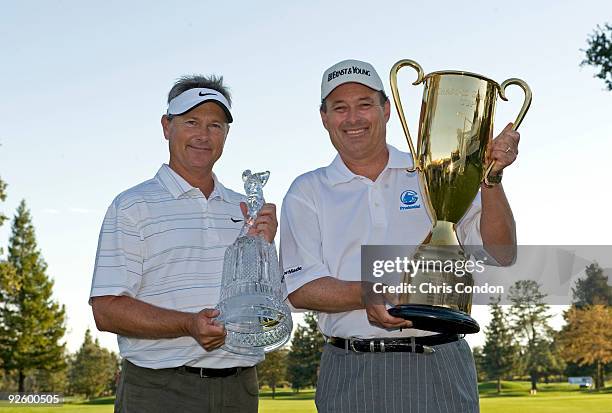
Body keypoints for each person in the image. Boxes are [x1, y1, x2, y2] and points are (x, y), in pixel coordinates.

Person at [279, 59, 520, 413]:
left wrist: (492, 179)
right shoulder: (307, 191)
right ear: (324, 118)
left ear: (386, 109)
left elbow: (501, 253)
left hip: (440, 362)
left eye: (365, 104)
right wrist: (367, 293)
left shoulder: (435, 171)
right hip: (351, 370)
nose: (354, 118)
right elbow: (300, 289)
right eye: (340, 108)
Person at [89, 74, 277, 413]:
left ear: (226, 135)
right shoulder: (132, 206)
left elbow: (270, 306)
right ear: (166, 126)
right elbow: (106, 309)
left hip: (240, 389)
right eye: (191, 122)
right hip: (160, 389)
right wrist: (187, 324)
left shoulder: (246, 209)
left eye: (215, 125)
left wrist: (265, 251)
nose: (203, 135)